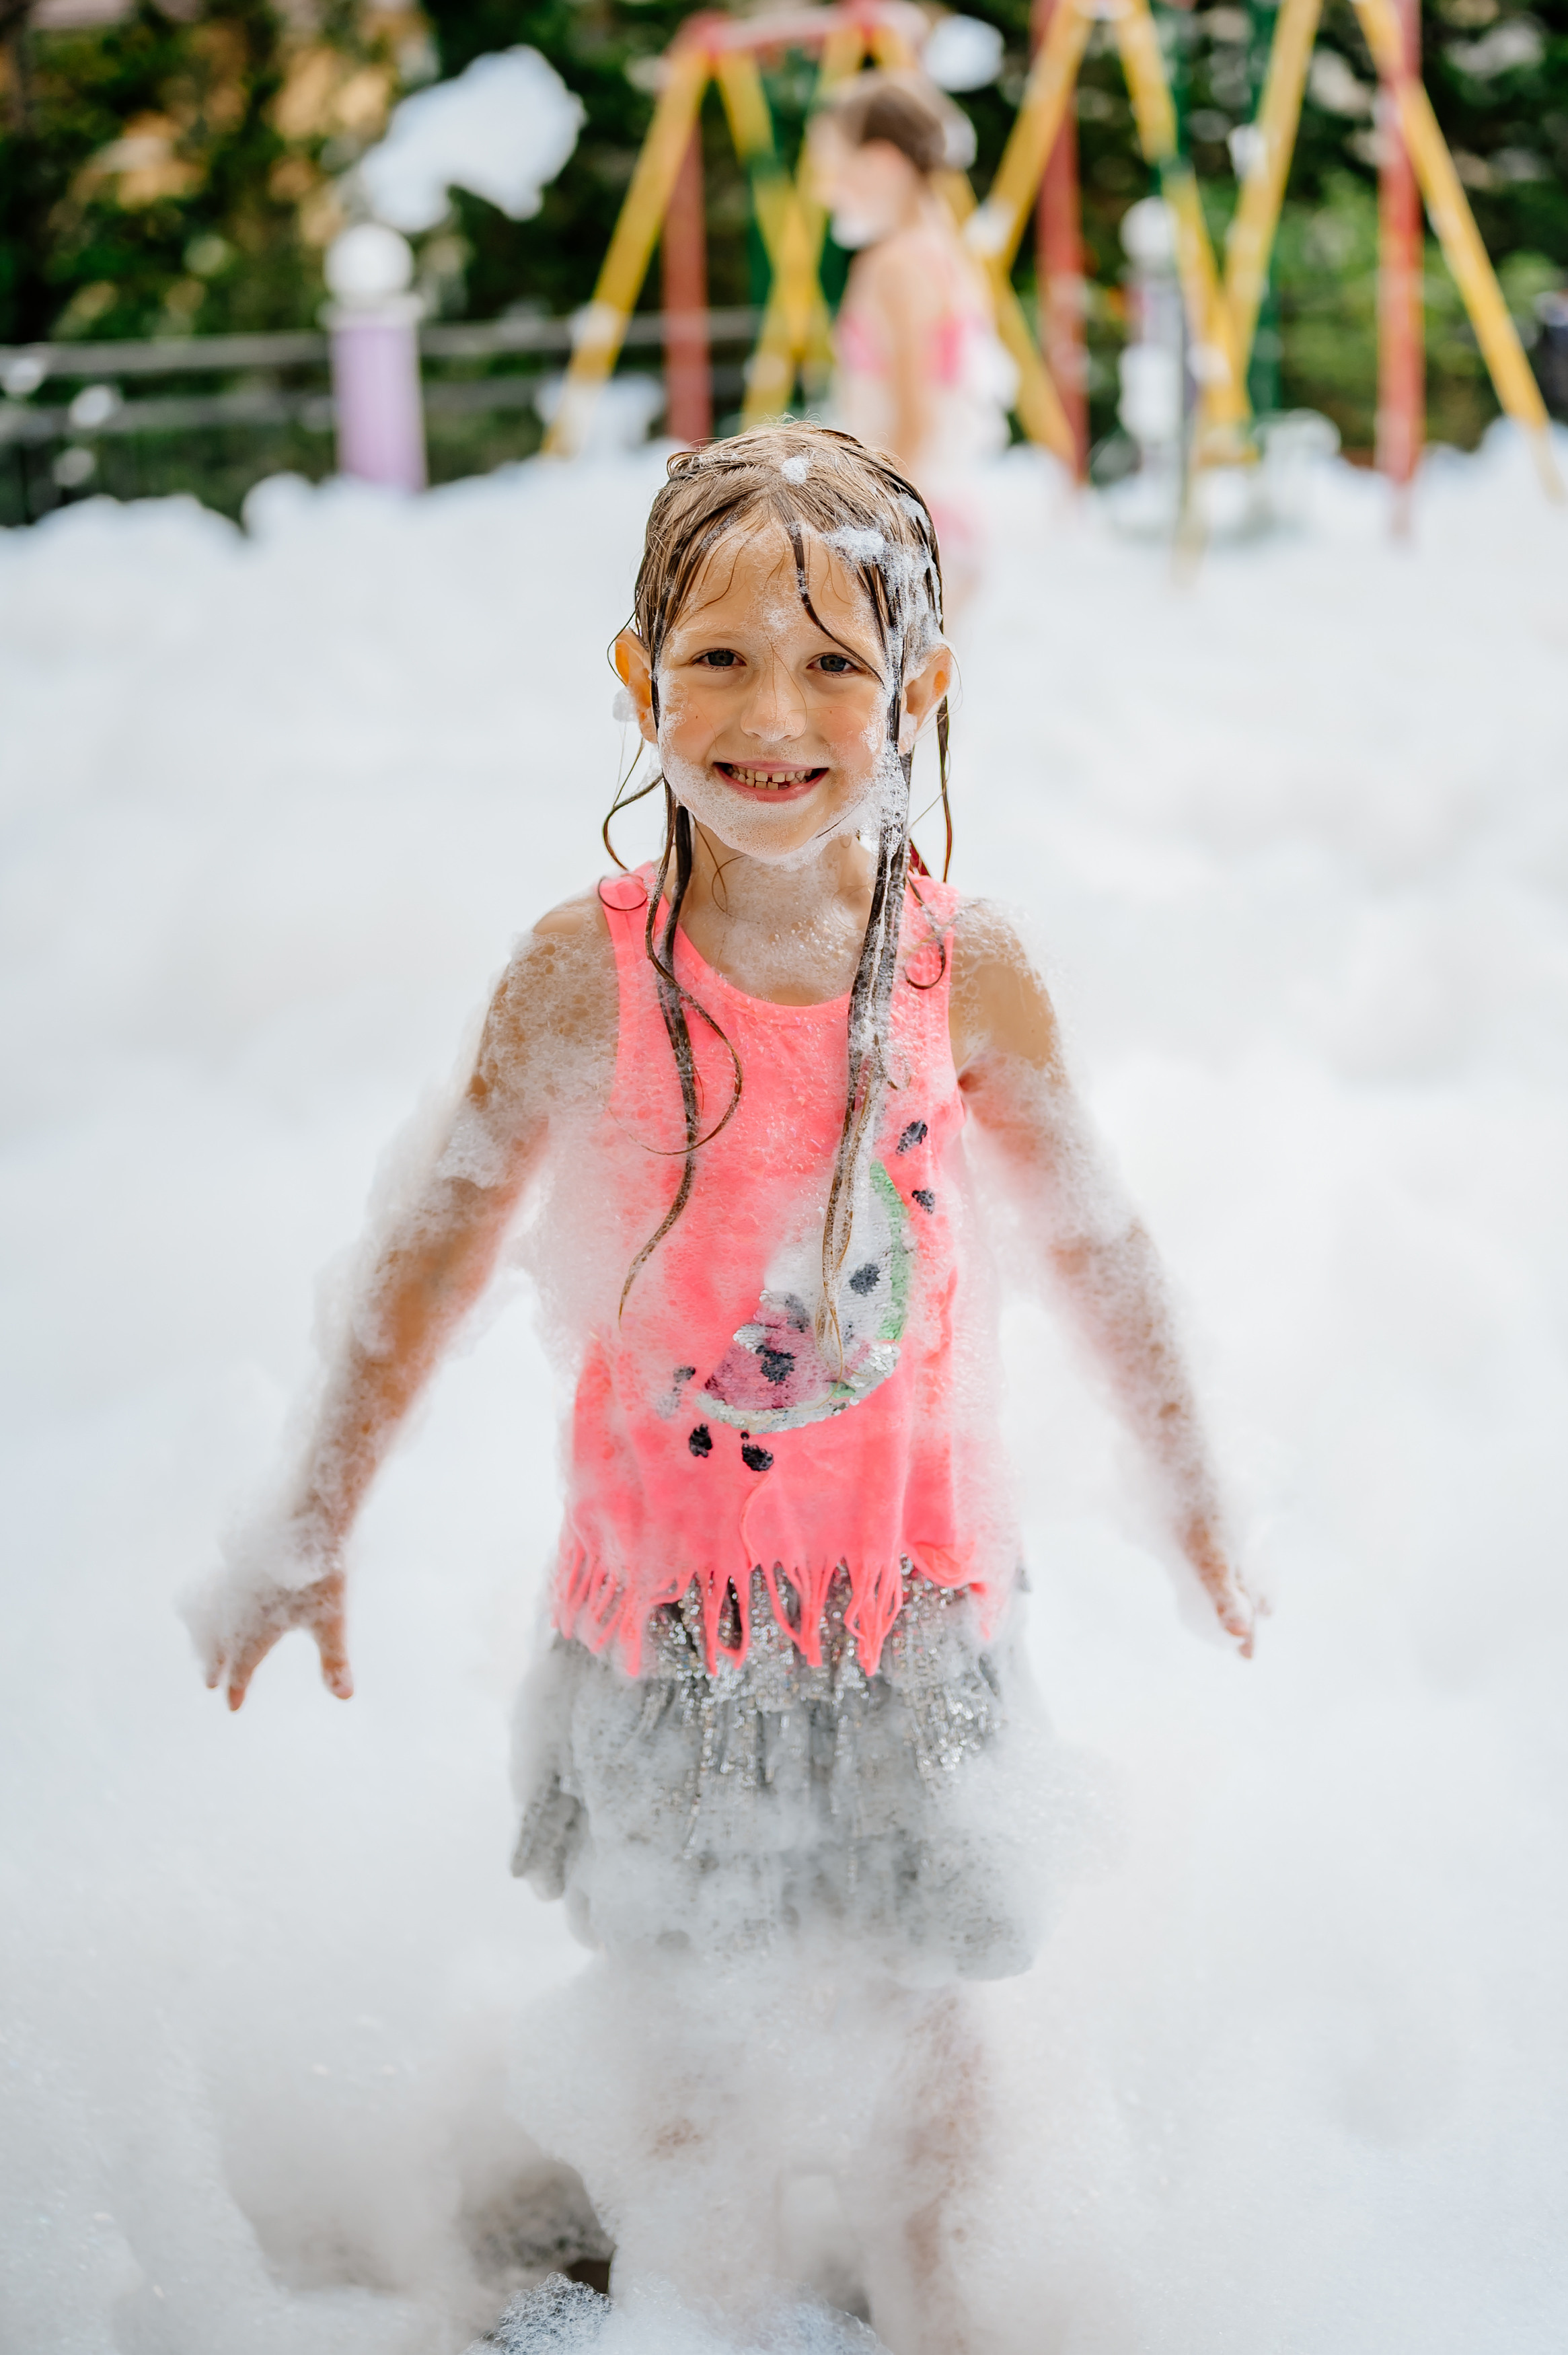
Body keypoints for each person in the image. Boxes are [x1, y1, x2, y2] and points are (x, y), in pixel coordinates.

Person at [189, 423, 1253, 2352]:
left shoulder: (958, 969)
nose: (776, 713)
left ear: (919, 688)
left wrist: (1191, 1485)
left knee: (932, 2048)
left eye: (837, 662)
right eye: (721, 660)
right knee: (684, 2062)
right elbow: (430, 1248)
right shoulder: (577, 979)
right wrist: (312, 1513)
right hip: (673, 1624)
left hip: (912, 1619)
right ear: (636, 678)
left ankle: (951, 2315)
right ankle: (701, 2307)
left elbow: (1094, 1235)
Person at [812, 74, 1016, 614]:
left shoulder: (897, 264)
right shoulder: (942, 248)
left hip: (908, 519)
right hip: (944, 508)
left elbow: (914, 417)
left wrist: (867, 528)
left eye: (830, 163)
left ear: (880, 162)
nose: (822, 187)